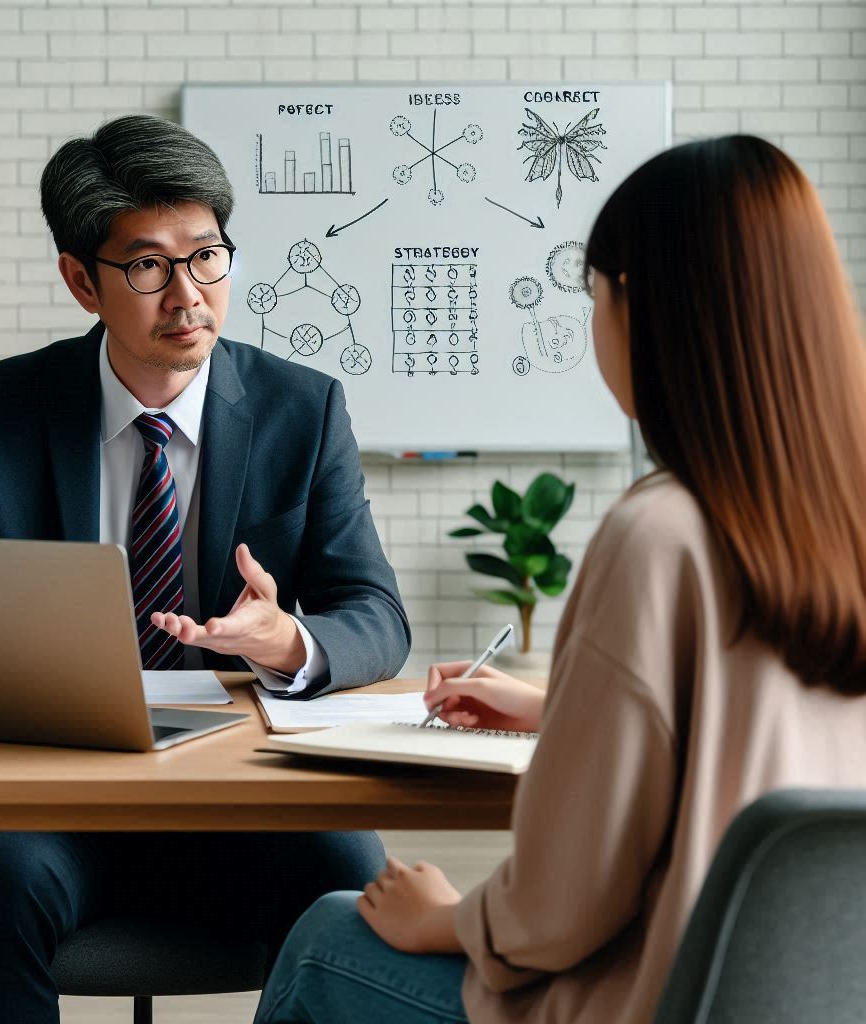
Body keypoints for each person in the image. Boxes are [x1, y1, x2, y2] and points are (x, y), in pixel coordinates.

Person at [254, 134, 866, 1024]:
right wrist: (563, 707)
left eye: (595, 294)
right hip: (819, 995)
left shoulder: (661, 532)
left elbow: (562, 908)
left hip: (660, 998)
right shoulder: (838, 514)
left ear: (642, 307)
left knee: (327, 934)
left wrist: (446, 919)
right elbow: (771, 731)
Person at [0, 114, 410, 1023]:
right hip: (52, 798)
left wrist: (289, 640)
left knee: (349, 869)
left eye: (207, 256)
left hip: (242, 799)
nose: (188, 297)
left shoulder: (304, 408)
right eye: (147, 266)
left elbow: (375, 615)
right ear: (80, 281)